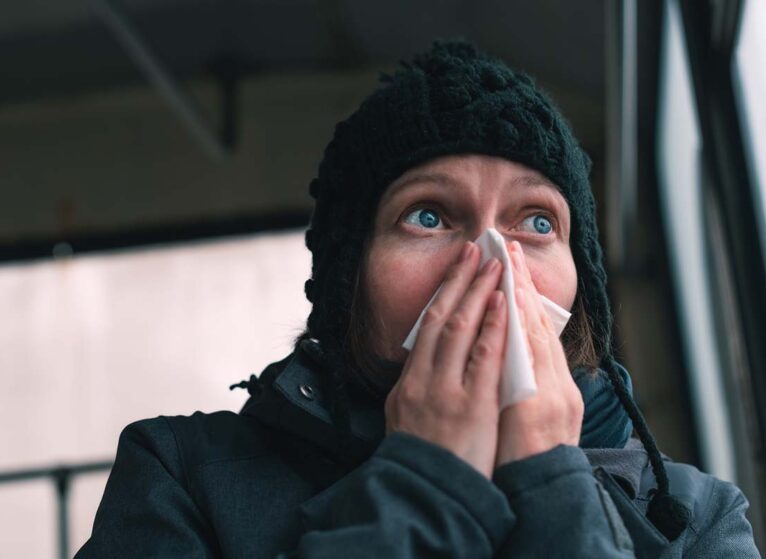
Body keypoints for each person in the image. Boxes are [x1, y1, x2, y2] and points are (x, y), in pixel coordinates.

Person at [75, 40, 760, 558]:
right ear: (350, 276)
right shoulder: (183, 473)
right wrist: (425, 483)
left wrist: (555, 487)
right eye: (428, 216)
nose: (493, 262)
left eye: (538, 222)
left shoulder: (698, 518)